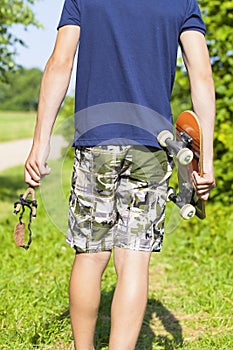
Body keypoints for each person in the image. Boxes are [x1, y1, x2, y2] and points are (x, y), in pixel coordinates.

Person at [24, 0, 215, 349]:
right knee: (134, 259)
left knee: (91, 254)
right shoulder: (183, 1)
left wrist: (40, 143)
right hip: (153, 146)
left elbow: (59, 64)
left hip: (95, 140)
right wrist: (207, 163)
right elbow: (201, 75)